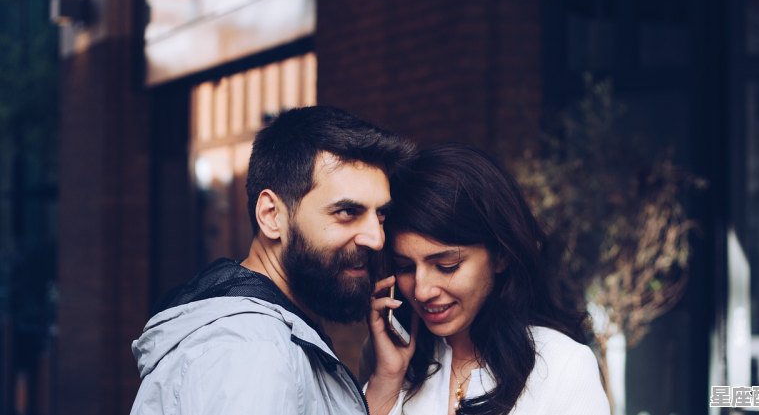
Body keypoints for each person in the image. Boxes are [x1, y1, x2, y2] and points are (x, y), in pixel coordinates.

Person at [130, 106, 414, 414]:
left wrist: (385, 379)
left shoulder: (265, 335)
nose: (376, 238)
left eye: (380, 214)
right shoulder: (252, 352)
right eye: (347, 213)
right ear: (271, 215)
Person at [365, 143, 610, 415]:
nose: (422, 291)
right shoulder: (396, 365)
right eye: (405, 267)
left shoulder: (563, 365)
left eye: (447, 266)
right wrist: (386, 380)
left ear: (501, 256)